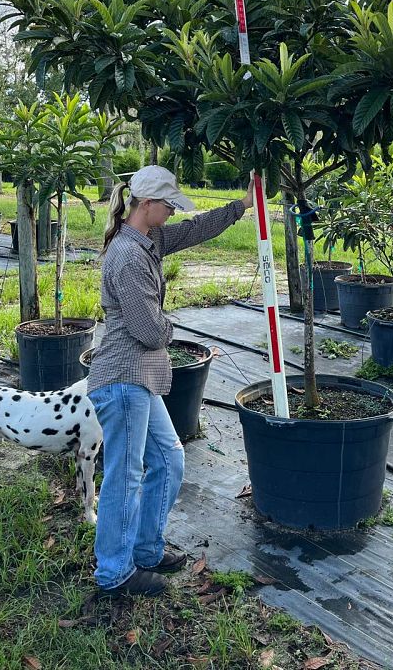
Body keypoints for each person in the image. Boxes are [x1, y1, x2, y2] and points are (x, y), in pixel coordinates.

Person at [88, 164, 253, 597]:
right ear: (146, 204)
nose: (172, 214)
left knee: (169, 459)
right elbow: (149, 331)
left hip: (140, 378)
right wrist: (169, 330)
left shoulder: (149, 240)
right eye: (168, 206)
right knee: (124, 476)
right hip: (123, 379)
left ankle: (144, 549)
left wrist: (243, 205)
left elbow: (195, 229)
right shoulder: (127, 257)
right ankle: (113, 574)